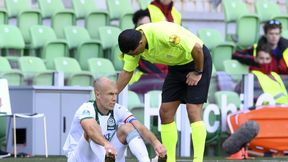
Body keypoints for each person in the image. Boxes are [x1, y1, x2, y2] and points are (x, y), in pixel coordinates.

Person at [117, 21, 212, 162]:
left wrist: (198, 72)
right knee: (165, 112)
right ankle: (170, 159)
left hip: (197, 60)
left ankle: (198, 160)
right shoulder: (133, 46)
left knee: (193, 110)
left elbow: (197, 48)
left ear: (141, 42)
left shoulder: (164, 34)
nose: (134, 56)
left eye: (135, 52)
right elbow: (127, 72)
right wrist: (113, 93)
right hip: (175, 66)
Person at [63, 77, 166, 162]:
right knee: (91, 131)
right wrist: (106, 144)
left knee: (128, 127)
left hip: (107, 153)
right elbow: (90, 129)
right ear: (98, 94)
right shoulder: (86, 108)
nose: (114, 98)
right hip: (80, 158)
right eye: (110, 94)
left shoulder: (118, 109)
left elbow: (140, 127)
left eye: (116, 94)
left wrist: (156, 143)